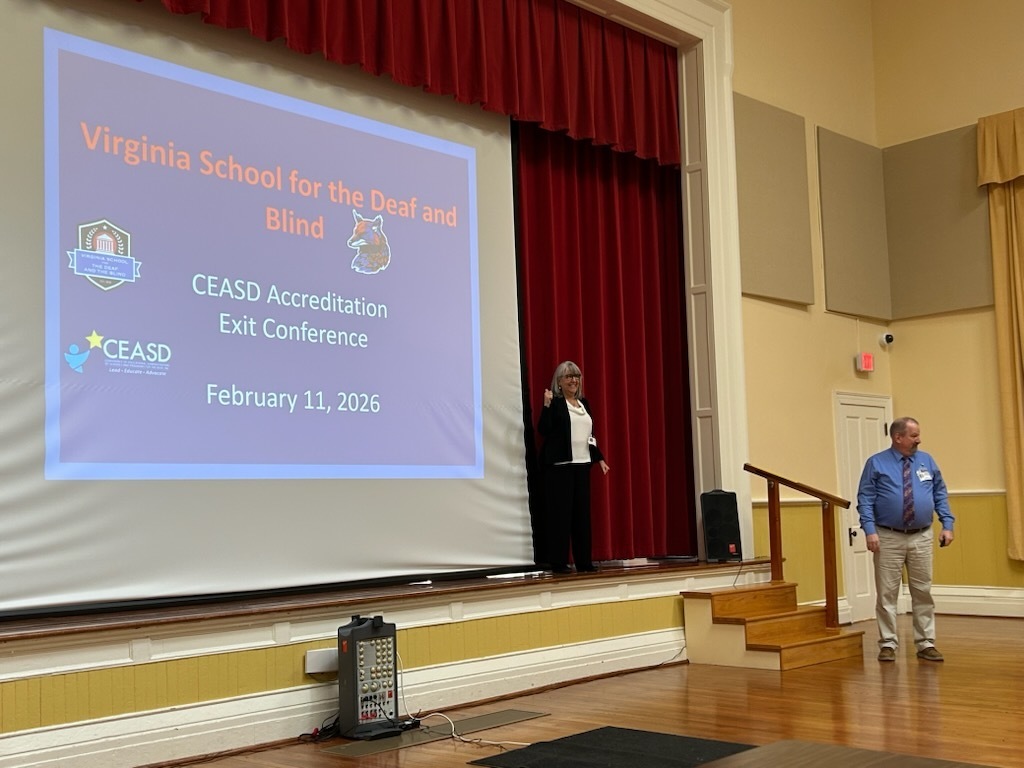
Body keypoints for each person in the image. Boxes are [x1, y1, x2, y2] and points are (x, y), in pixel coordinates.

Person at [856, 417, 954, 663]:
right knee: (887, 593)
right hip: (887, 536)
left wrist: (947, 524)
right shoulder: (876, 463)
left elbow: (940, 492)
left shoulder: (926, 461)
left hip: (921, 535)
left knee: (922, 591)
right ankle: (888, 643)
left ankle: (926, 643)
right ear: (898, 437)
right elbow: (865, 498)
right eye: (913, 435)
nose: (918, 440)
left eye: (918, 435)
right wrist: (869, 530)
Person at [537, 360, 610, 574]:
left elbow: (590, 437)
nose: (573, 380)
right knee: (561, 516)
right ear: (559, 382)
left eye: (576, 376)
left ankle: (584, 562)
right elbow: (544, 429)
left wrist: (599, 458)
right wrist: (546, 405)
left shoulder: (584, 404)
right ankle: (559, 563)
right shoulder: (557, 404)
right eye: (568, 376)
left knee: (581, 516)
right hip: (560, 467)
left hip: (582, 466)